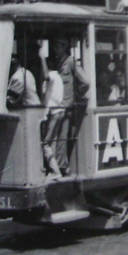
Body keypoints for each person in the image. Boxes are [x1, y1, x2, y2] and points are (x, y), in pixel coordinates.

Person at [40, 35, 90, 179]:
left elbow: (86, 82)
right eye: (54, 46)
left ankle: (61, 168)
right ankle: (57, 168)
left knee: (61, 138)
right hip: (57, 106)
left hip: (66, 107)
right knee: (56, 139)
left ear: (64, 47)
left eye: (58, 46)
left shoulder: (71, 62)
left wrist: (75, 96)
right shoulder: (58, 63)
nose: (55, 49)